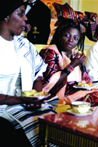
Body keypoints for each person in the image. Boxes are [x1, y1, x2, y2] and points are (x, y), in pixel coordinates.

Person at [0, 0, 55, 146]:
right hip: (3, 107)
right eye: (20, 14)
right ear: (5, 16)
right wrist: (22, 101)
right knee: (18, 128)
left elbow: (39, 74)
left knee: (54, 121)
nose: (26, 19)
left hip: (24, 103)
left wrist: (35, 95)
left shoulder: (25, 45)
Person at [39, 3, 98, 106]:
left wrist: (80, 66)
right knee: (96, 99)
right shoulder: (49, 52)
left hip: (76, 91)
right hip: (58, 95)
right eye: (67, 35)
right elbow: (48, 85)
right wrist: (72, 65)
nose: (71, 40)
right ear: (59, 35)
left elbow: (85, 81)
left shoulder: (75, 54)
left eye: (75, 38)